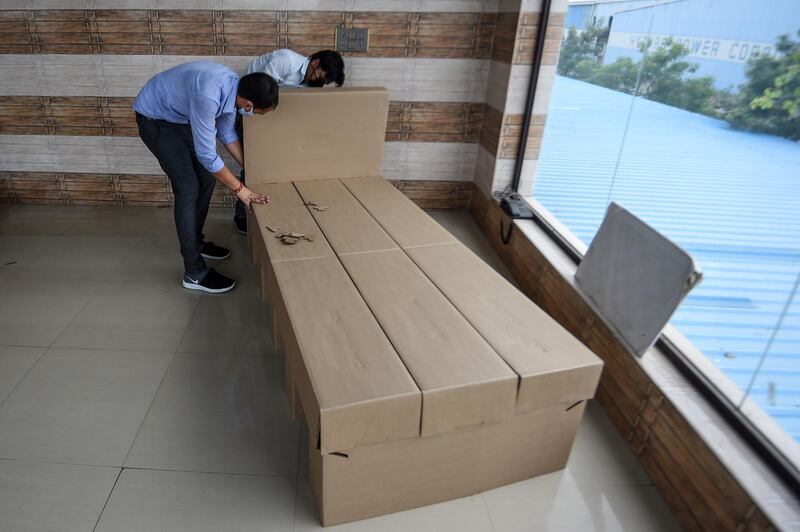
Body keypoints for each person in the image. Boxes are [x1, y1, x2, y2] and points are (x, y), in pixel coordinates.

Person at [133, 61, 278, 294]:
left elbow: (227, 133)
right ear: (249, 104)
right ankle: (194, 273)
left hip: (180, 119)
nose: (253, 115)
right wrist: (241, 190)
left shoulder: (234, 91)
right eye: (257, 113)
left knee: (207, 179)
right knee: (188, 188)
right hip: (156, 119)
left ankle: (196, 243)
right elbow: (208, 155)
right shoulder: (209, 95)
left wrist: (252, 169)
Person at [232, 49, 346, 235]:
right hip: (247, 113)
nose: (319, 83)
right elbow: (260, 94)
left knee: (281, 164)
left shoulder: (310, 83)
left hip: (270, 119)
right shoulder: (287, 61)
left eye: (324, 82)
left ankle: (273, 212)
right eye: (320, 77)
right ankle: (241, 218)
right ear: (315, 62)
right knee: (254, 166)